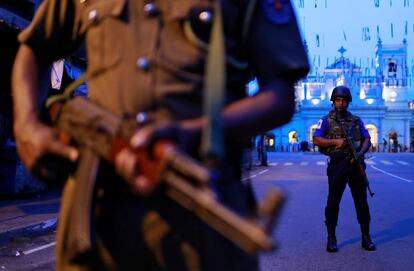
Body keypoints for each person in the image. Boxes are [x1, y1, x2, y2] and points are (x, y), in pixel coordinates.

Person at [12, 0, 309, 270]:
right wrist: (26, 126)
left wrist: (195, 133)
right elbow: (35, 48)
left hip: (204, 213)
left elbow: (281, 96)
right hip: (96, 214)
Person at [313, 86, 376, 253]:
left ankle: (366, 236)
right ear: (333, 102)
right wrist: (335, 142)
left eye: (344, 101)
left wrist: (360, 154)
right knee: (333, 201)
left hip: (356, 164)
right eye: (338, 100)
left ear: (348, 103)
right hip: (338, 164)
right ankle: (331, 237)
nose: (341, 103)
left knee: (361, 202)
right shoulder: (326, 120)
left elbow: (367, 139)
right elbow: (317, 139)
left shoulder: (356, 120)